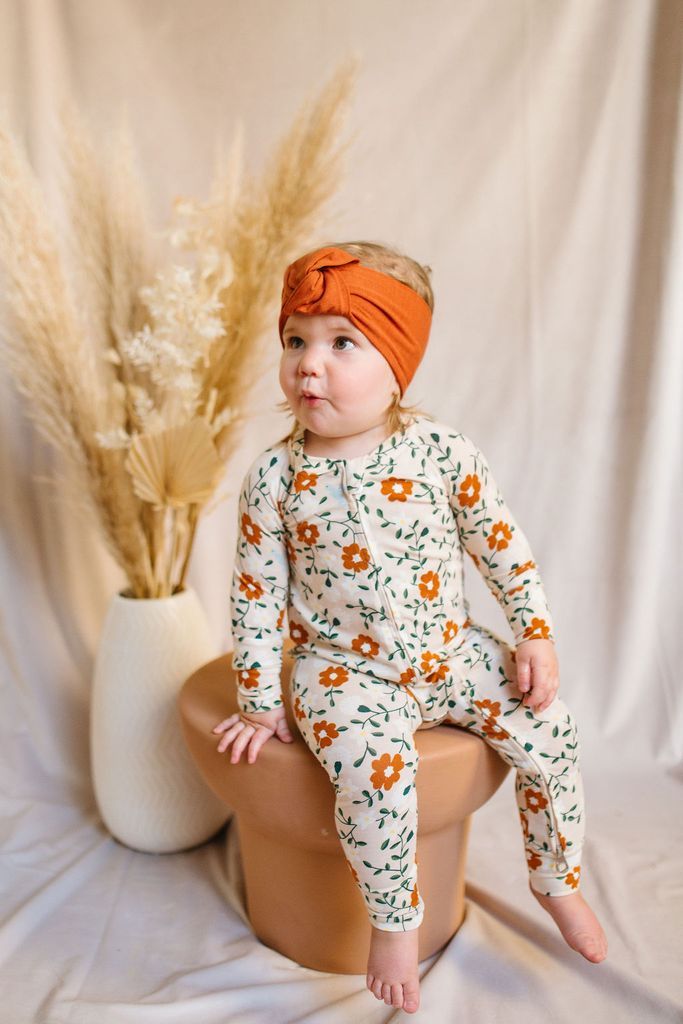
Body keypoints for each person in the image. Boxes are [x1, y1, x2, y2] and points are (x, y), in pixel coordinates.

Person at [212, 241, 608, 1014]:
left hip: (450, 652)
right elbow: (255, 596)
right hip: (342, 671)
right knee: (374, 771)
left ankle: (555, 878)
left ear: (396, 366)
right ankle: (394, 921)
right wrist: (258, 701)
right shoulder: (275, 479)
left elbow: (499, 545)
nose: (307, 365)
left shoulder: (439, 453)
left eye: (340, 343)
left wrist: (533, 631)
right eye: (294, 341)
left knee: (551, 731)